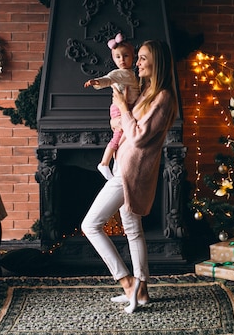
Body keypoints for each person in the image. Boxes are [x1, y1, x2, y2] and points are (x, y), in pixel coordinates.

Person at [81, 39, 179, 313]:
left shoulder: (163, 97)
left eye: (143, 58)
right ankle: (142, 290)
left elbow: (137, 136)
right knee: (132, 230)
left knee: (90, 225)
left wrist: (122, 107)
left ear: (156, 62)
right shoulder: (147, 91)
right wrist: (121, 114)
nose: (137, 62)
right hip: (127, 166)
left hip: (129, 171)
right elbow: (124, 124)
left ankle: (127, 283)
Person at [84, 33, 140, 180]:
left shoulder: (132, 74)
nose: (122, 60)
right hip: (119, 107)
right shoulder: (119, 73)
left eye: (125, 56)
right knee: (118, 135)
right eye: (118, 57)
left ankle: (110, 162)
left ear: (133, 56)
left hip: (124, 107)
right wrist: (96, 81)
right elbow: (108, 79)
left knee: (121, 134)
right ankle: (104, 163)